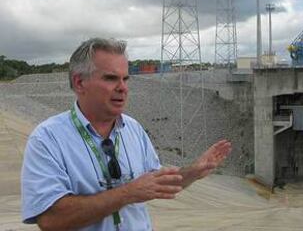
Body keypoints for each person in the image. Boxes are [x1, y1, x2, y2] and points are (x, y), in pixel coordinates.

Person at [21, 37, 232, 231]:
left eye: (125, 79)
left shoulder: (133, 129)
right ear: (79, 83)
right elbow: (50, 220)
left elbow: (155, 184)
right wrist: (127, 193)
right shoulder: (47, 139)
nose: (123, 88)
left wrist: (193, 172)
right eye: (111, 78)